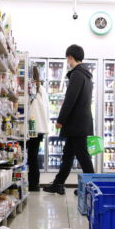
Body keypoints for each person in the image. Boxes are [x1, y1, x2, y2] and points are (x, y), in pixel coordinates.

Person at [44, 44, 95, 195]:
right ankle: (58, 183)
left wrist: (60, 120)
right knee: (68, 155)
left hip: (76, 123)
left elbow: (69, 100)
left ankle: (92, 187)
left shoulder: (77, 74)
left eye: (68, 58)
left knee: (83, 156)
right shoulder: (86, 75)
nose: (68, 61)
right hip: (80, 122)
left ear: (70, 57)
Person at [27, 66, 50, 191]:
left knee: (26, 156)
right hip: (39, 127)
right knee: (33, 156)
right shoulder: (41, 89)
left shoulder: (28, 89)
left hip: (30, 126)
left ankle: (28, 182)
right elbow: (47, 109)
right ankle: (34, 184)